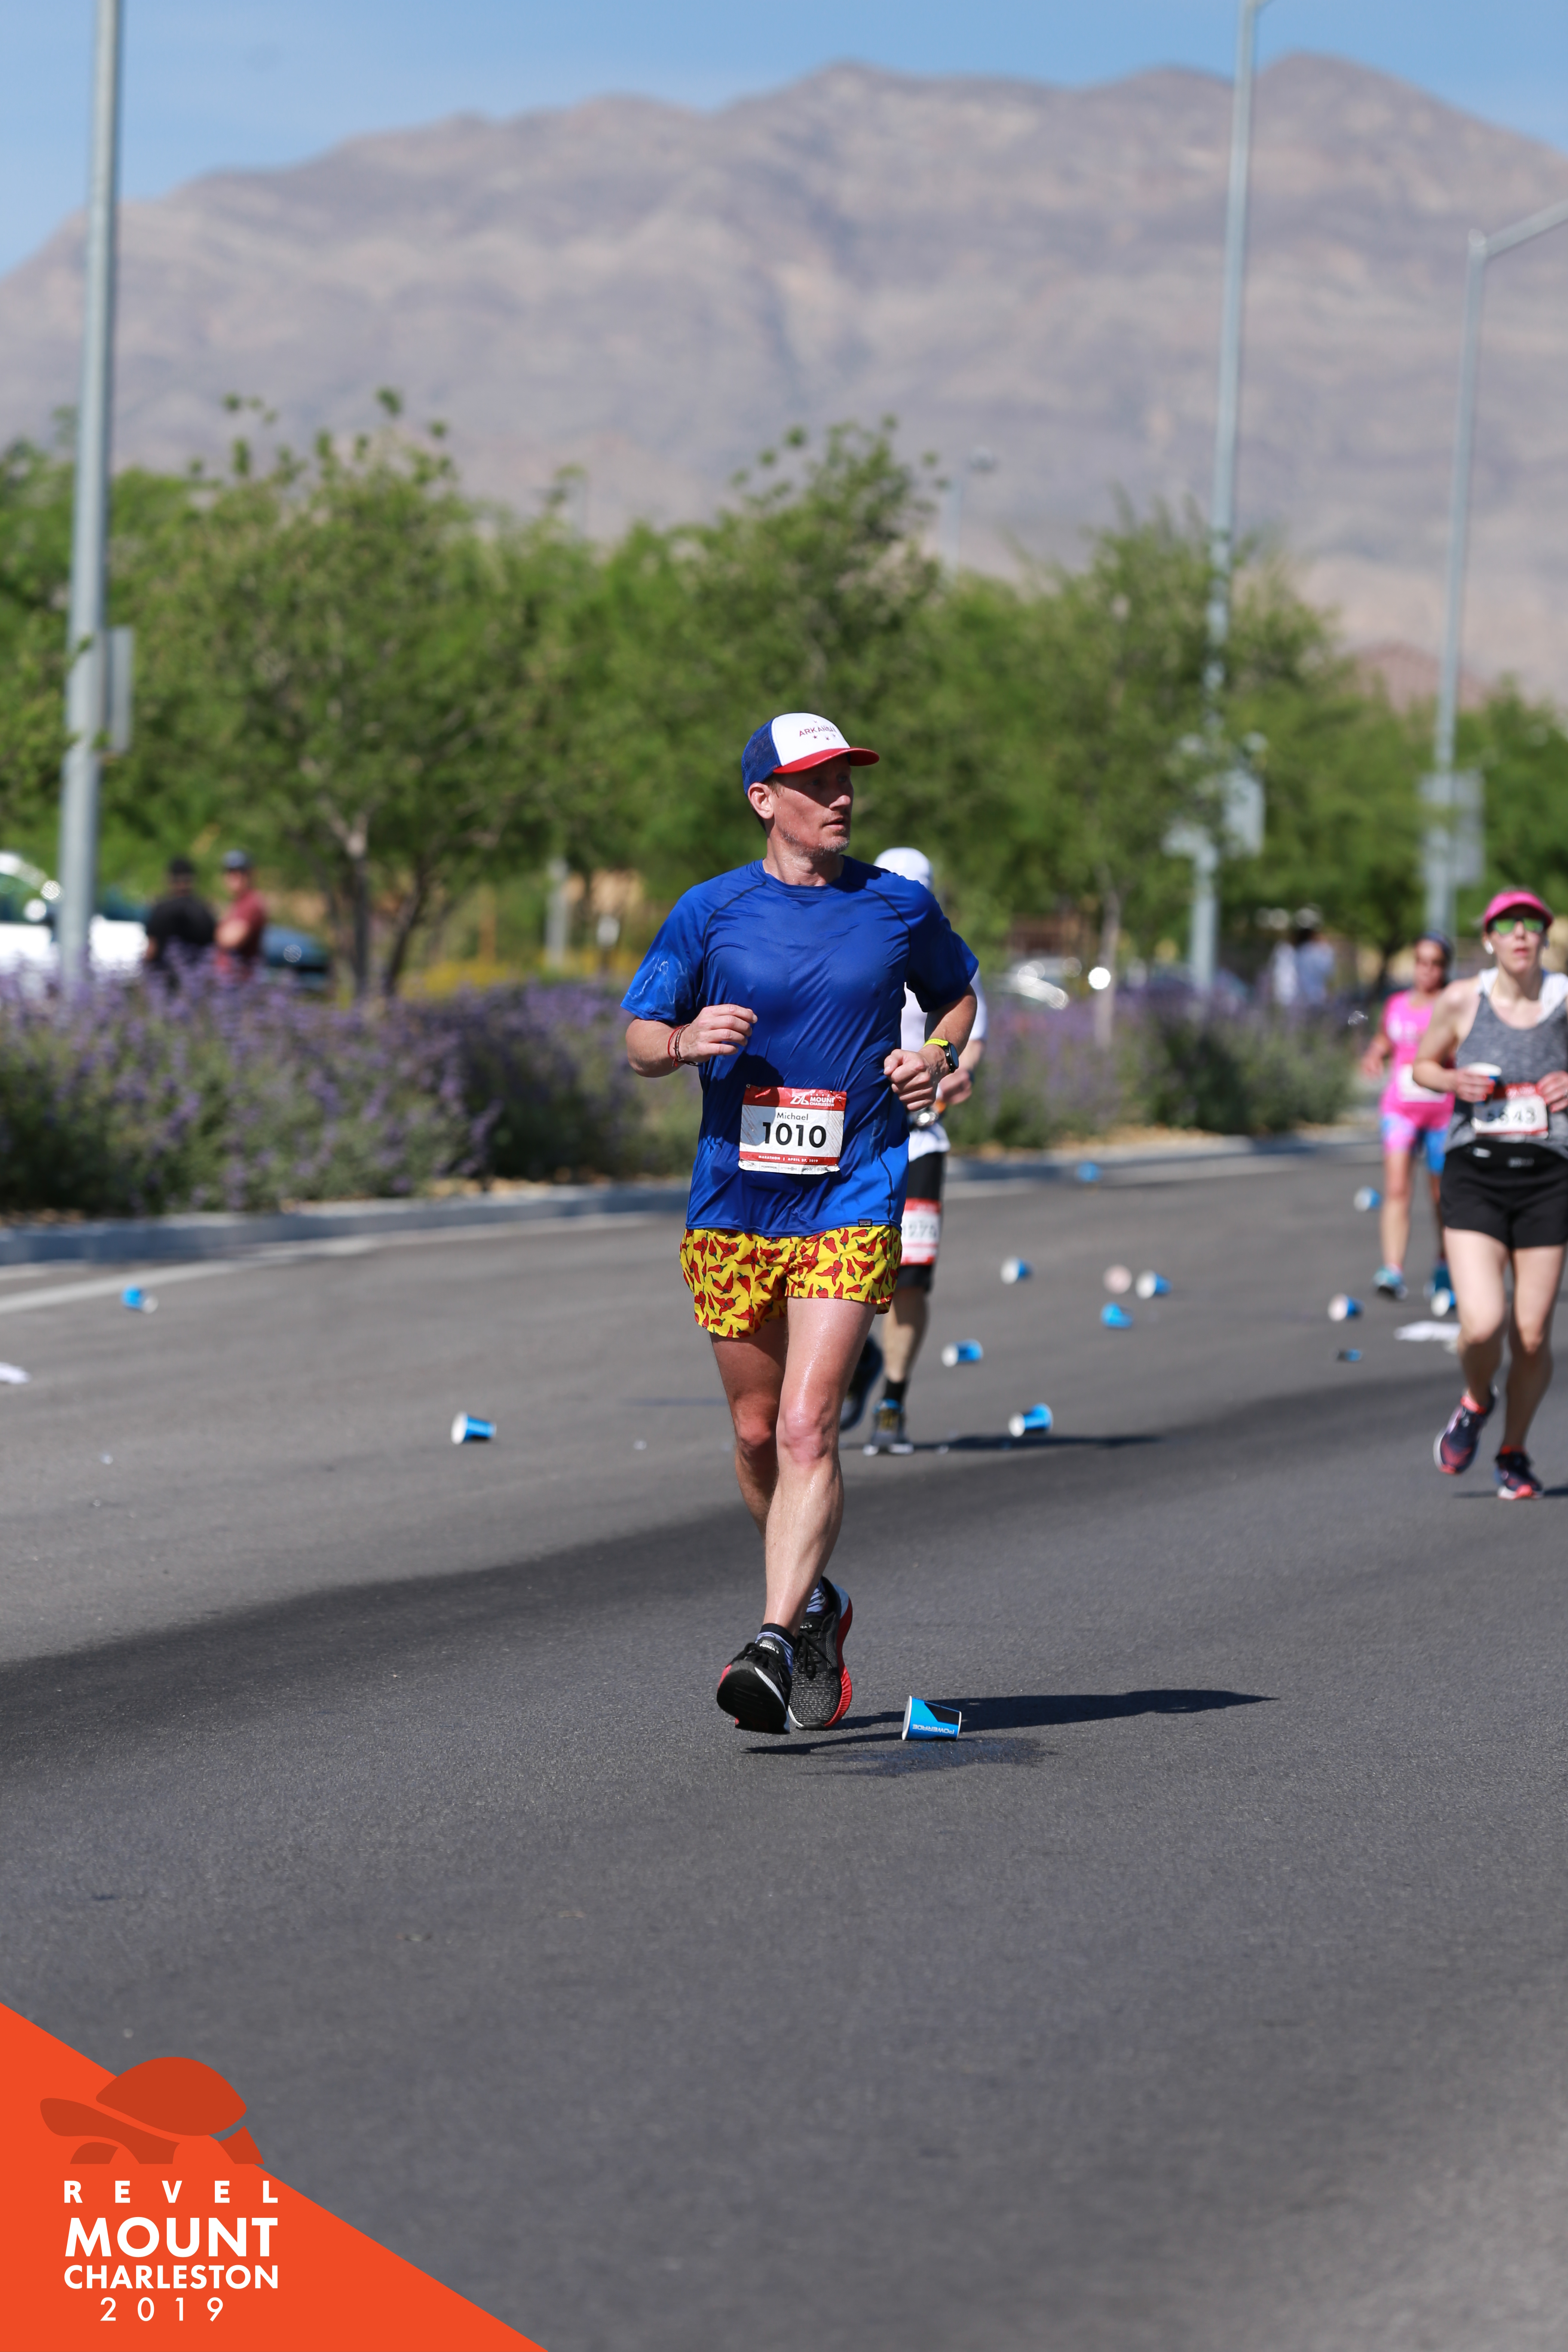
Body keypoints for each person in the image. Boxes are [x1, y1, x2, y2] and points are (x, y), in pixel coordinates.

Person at [622, 712, 978, 1734]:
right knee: (753, 1432)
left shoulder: (896, 905)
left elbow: (956, 998)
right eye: (816, 782)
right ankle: (817, 1604)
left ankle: (773, 1640)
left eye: (845, 779)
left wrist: (935, 1058)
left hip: (852, 1191)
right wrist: (685, 1040)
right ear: (763, 799)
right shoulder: (711, 910)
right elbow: (639, 1037)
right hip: (734, 1204)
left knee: (807, 1424)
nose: (841, 797)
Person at [1414, 889, 1568, 1500]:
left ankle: (1514, 1451)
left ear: (1544, 937)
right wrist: (1454, 1079)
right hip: (1475, 1172)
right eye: (1507, 925)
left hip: (1548, 1177)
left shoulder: (1565, 999)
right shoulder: (1461, 999)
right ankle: (1477, 1398)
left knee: (1531, 1336)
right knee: (1482, 1325)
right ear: (1489, 939)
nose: (1520, 934)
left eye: (1532, 924)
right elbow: (1422, 1065)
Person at [839, 845, 988, 1452]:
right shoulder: (848, 948)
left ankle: (893, 1400)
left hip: (920, 1139)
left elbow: (969, 1036)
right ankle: (860, 1363)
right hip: (849, 1142)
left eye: (916, 891)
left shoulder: (947, 955)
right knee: (839, 1270)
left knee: (909, 1279)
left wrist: (950, 1072)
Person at [1358, 932, 1454, 1302]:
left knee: (1441, 1197)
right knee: (1397, 1188)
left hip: (1442, 1112)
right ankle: (1392, 1269)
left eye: (1436, 963)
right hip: (1400, 1110)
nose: (1427, 970)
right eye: (1421, 962)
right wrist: (1374, 1052)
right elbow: (1387, 1037)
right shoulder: (1396, 1003)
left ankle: (1444, 1264)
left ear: (1445, 967)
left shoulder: (1453, 1004)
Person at [142, 857, 215, 980]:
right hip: (197, 981)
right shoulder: (203, 909)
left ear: (170, 879)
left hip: (164, 981)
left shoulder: (161, 909)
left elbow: (151, 951)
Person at [214, 851, 268, 980]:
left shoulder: (251, 903)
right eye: (230, 871)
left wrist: (216, 930)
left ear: (250, 874)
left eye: (241, 871)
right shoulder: (237, 903)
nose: (235, 876)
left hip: (241, 982)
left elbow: (231, 940)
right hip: (227, 981)